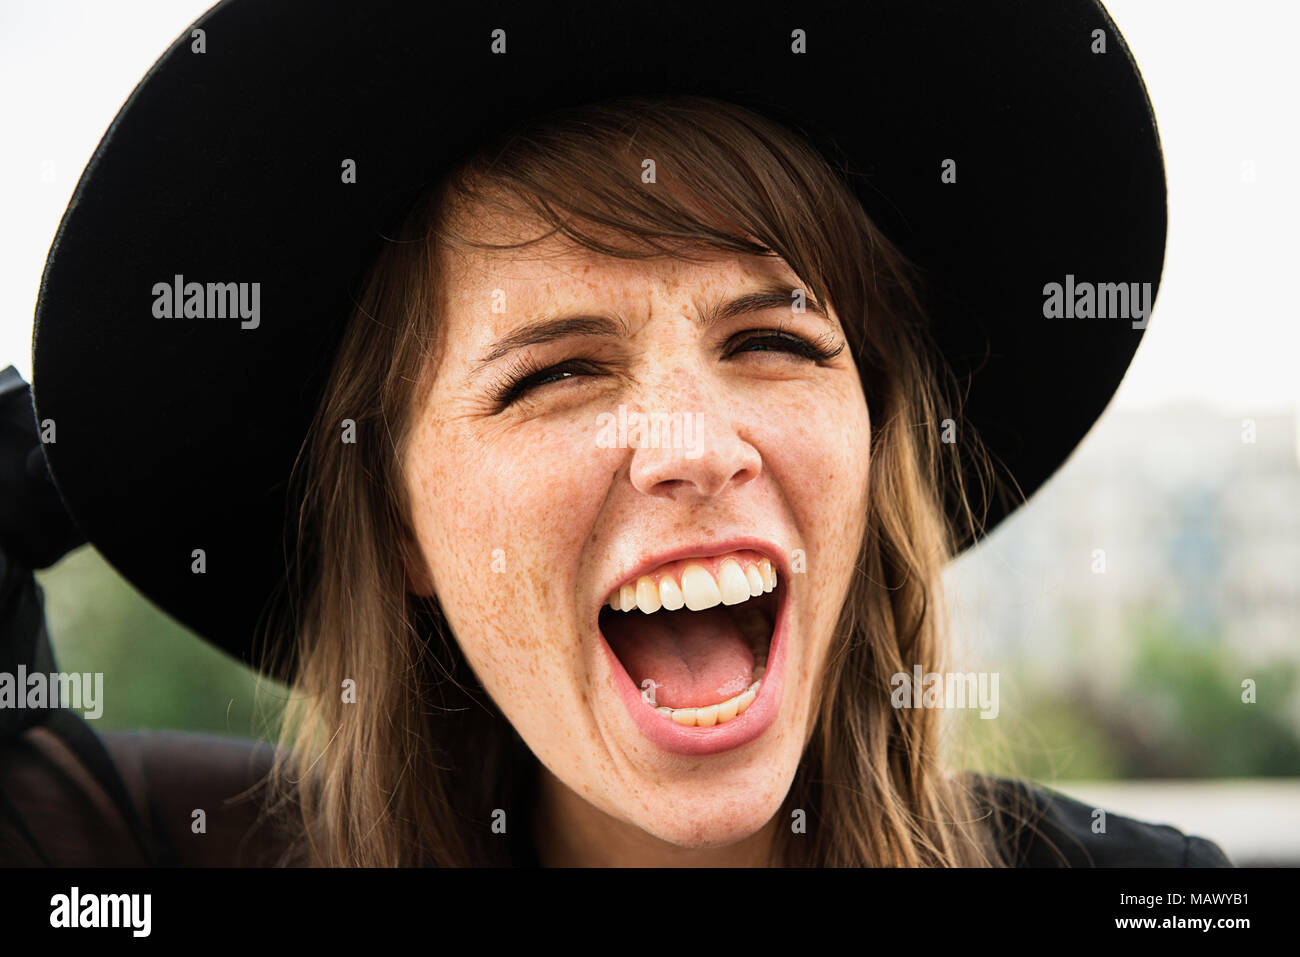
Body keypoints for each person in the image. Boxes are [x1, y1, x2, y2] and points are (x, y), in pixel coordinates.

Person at [1, 0, 1233, 867]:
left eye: (774, 342)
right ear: (400, 524)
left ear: (873, 444)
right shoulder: (191, 857)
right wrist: (90, 450)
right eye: (557, 374)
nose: (694, 444)